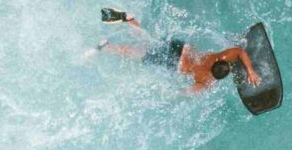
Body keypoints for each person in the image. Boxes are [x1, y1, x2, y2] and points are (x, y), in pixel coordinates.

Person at [95, 9, 260, 93]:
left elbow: (239, 51)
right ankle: (106, 47)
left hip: (182, 48)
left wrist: (251, 71)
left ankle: (130, 20)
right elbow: (187, 92)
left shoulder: (219, 56)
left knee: (151, 42)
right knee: (140, 55)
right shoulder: (206, 81)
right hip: (175, 63)